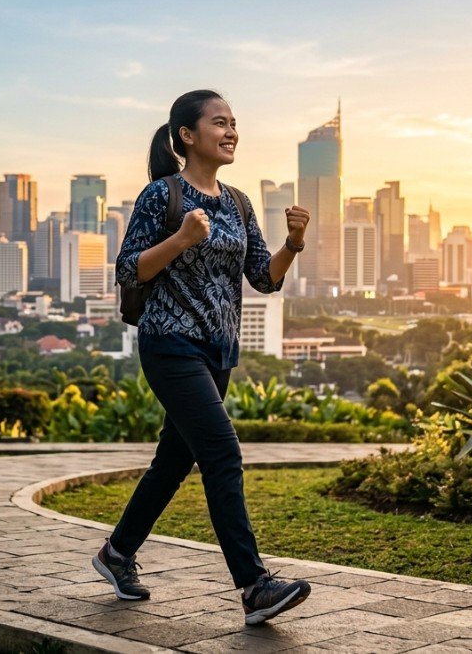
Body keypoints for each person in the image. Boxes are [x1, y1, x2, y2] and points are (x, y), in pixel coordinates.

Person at [93, 89, 312, 626]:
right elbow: (128, 269)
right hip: (169, 343)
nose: (231, 131)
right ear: (187, 136)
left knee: (175, 459)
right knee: (221, 451)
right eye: (219, 122)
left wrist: (293, 243)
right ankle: (254, 586)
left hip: (219, 351)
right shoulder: (161, 195)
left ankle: (117, 553)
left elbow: (263, 278)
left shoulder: (238, 201)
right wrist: (183, 238)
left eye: (234, 123)